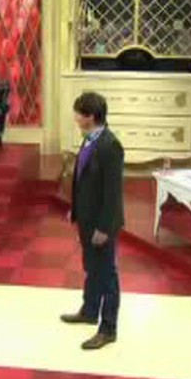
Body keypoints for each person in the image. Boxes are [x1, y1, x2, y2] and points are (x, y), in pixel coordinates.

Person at [60, 92, 125, 350]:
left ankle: (108, 328)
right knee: (91, 267)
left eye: (78, 113)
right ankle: (89, 311)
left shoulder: (110, 145)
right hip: (86, 219)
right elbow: (82, 180)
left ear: (90, 116)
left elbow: (113, 193)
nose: (75, 117)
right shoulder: (89, 139)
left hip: (101, 224)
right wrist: (75, 209)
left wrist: (104, 228)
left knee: (107, 275)